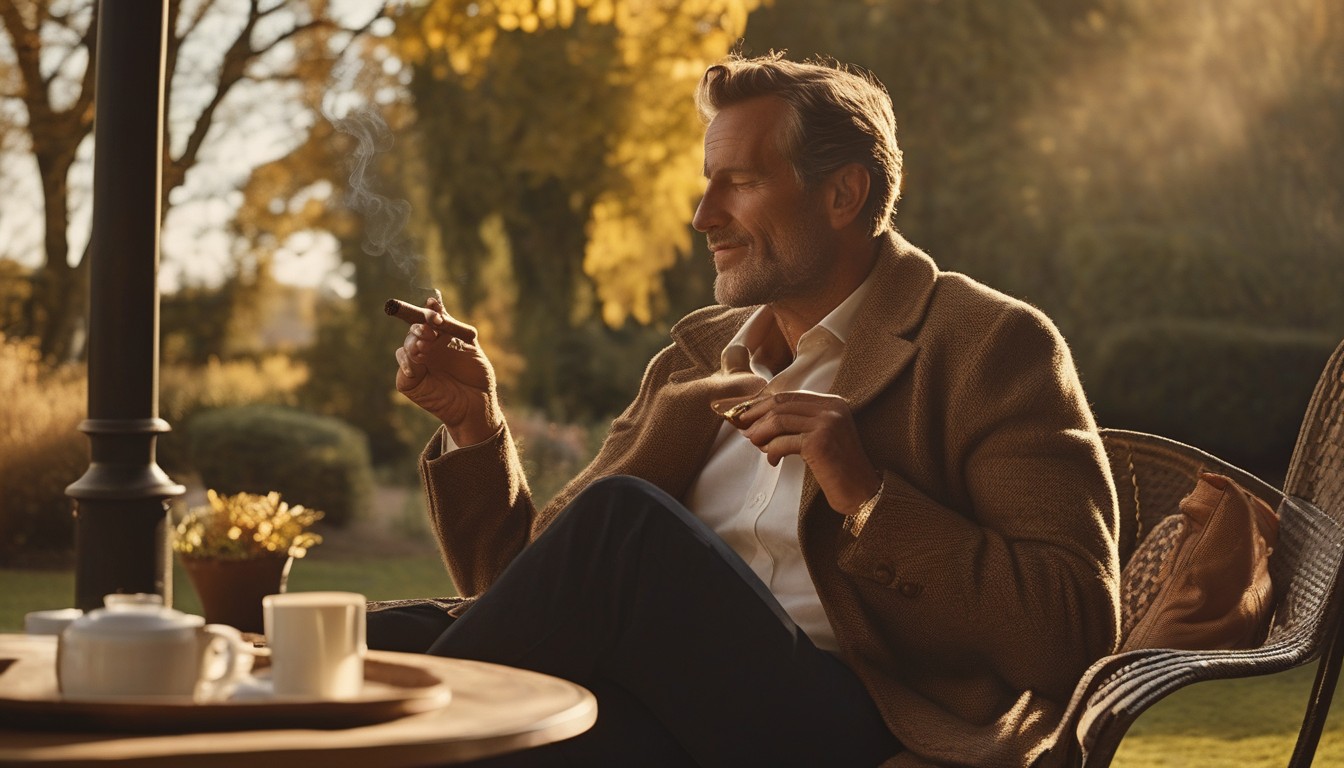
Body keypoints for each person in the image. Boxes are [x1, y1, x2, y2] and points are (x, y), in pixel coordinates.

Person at [375, 52, 1121, 768]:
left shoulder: (988, 345)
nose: (704, 216)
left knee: (624, 524)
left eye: (739, 183)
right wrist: (475, 424)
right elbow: (526, 596)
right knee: (370, 642)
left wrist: (867, 496)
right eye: (708, 185)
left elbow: (1073, 632)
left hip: (864, 728)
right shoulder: (694, 361)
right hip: (661, 717)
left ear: (843, 195)